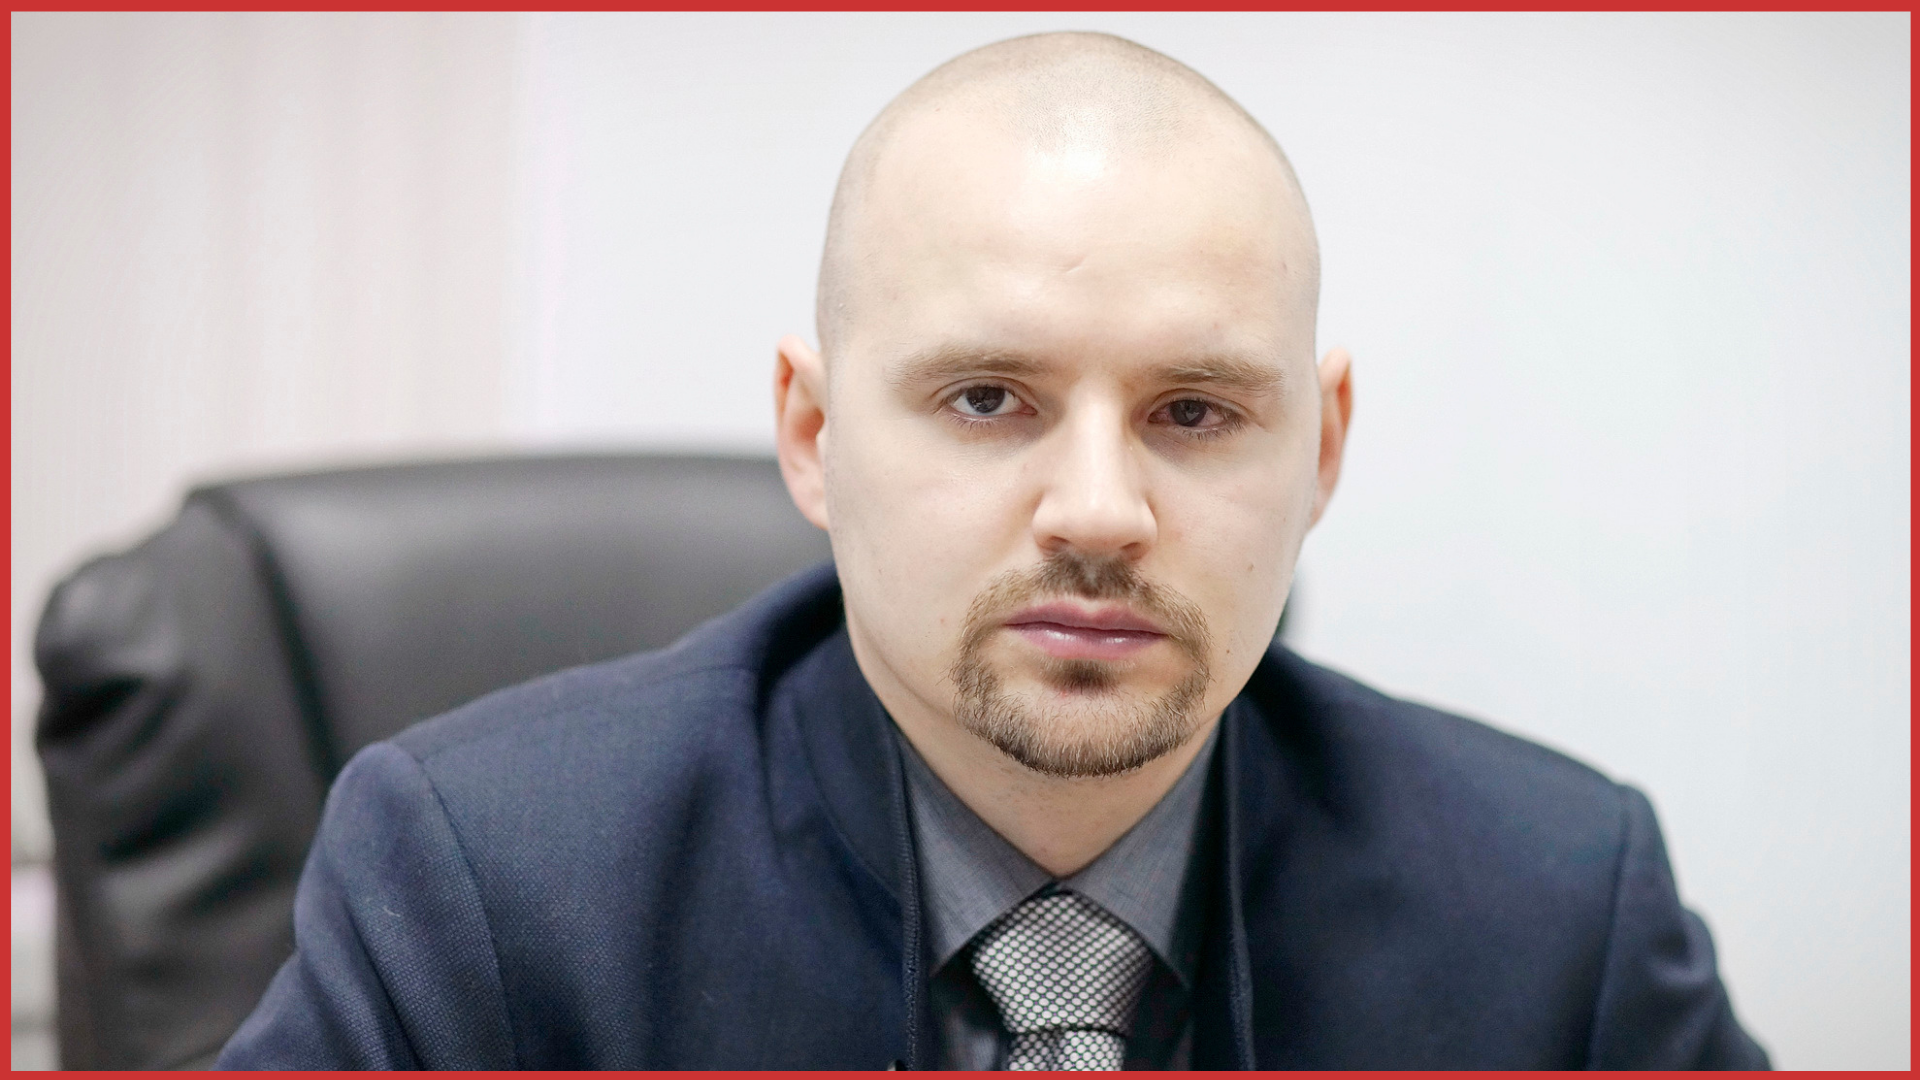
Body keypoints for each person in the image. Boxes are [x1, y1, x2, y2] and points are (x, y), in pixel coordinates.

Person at [219, 31, 1767, 1069]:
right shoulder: (484, 885)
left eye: (1193, 411)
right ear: (815, 435)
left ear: (1322, 451)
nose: (1098, 510)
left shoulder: (1558, 914)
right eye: (986, 399)